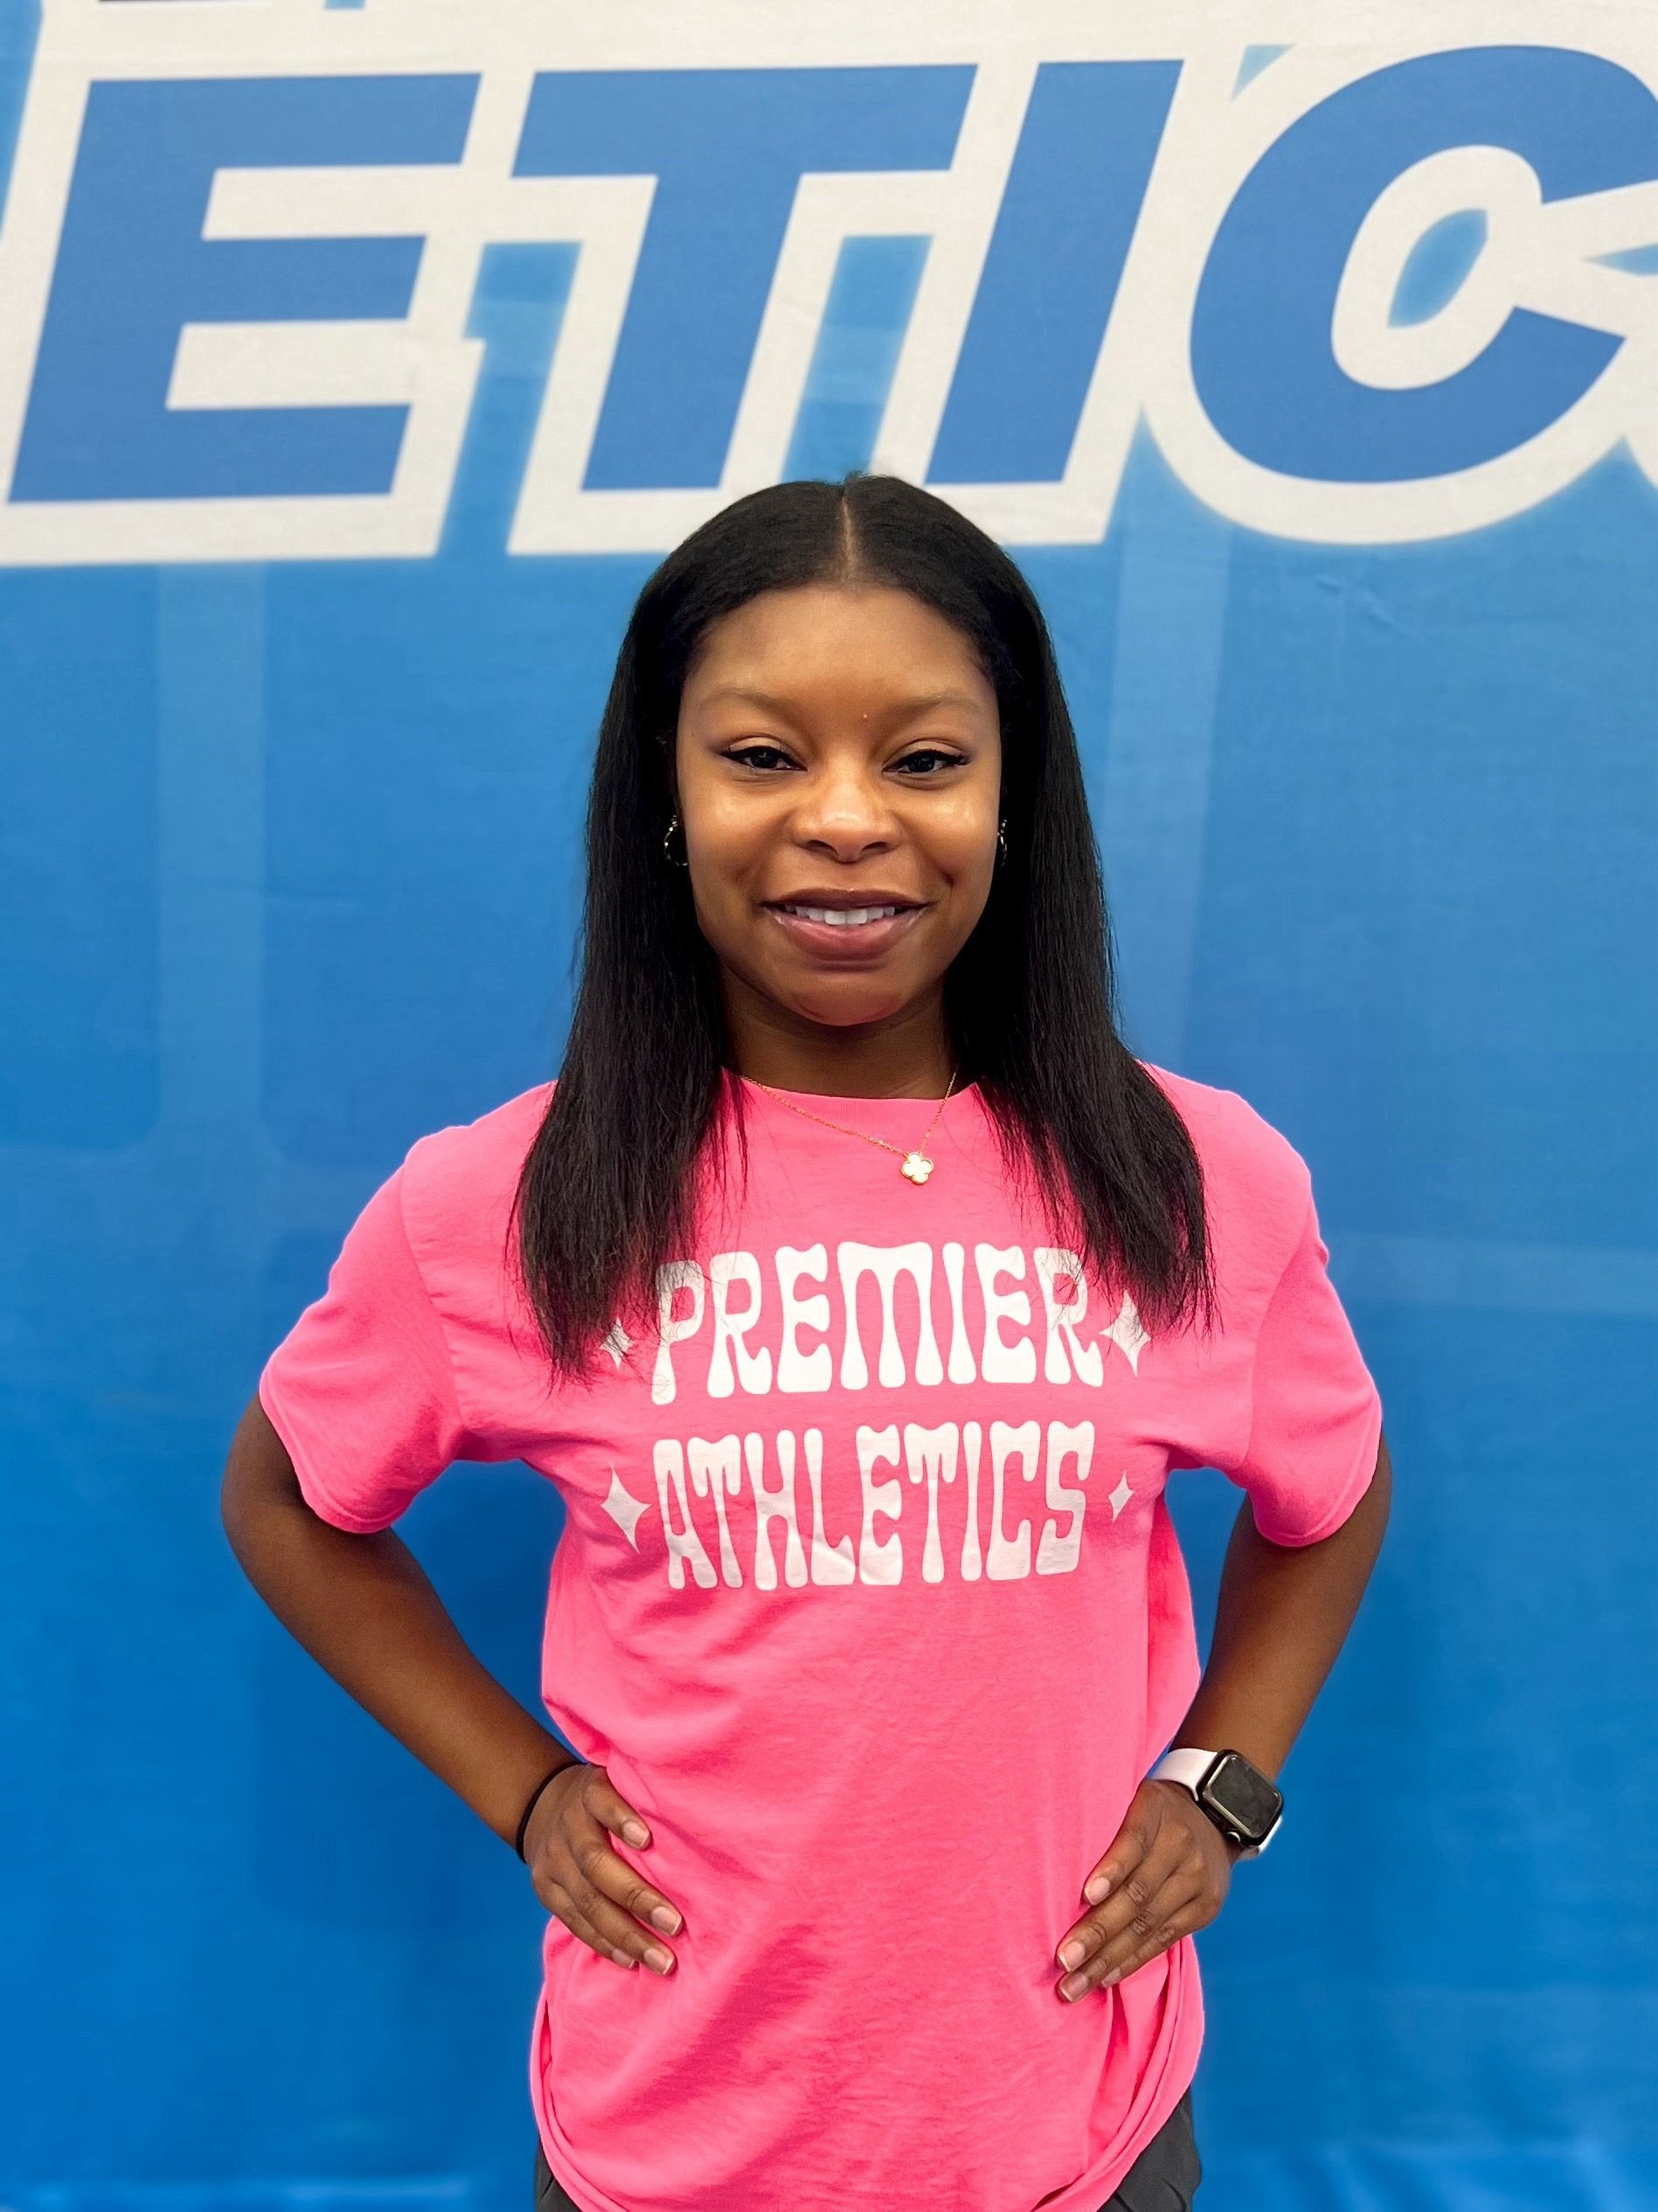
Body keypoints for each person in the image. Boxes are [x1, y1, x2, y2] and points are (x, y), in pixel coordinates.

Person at [221, 470, 1390, 2212]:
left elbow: (1331, 1495)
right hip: (673, 2134)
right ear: (669, 801)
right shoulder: (505, 1202)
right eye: (762, 756)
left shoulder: (1196, 1178)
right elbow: (291, 1497)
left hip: (1076, 2129)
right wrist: (526, 1792)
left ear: (1014, 804)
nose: (845, 819)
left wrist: (1218, 1781)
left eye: (924, 759)